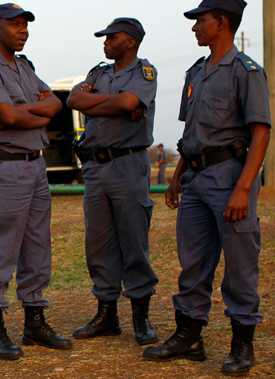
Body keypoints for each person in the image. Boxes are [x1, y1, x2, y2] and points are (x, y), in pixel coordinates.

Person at [143, 0, 270, 377]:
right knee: (193, 261)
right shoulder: (196, 72)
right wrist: (177, 177)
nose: (195, 27)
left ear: (222, 22)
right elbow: (190, 133)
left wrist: (244, 188)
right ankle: (190, 336)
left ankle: (242, 345)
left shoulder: (245, 70)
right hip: (196, 176)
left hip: (230, 175)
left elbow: (261, 132)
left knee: (240, 263)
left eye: (201, 20)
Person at [0, 3, 69, 361]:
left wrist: (24, 113)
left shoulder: (25, 66)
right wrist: (29, 112)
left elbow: (56, 105)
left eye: (25, 24)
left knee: (37, 247)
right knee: (0, 247)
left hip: (35, 166)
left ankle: (34, 321)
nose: (23, 30)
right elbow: (9, 116)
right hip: (7, 166)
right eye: (15, 24)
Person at [66, 17, 159, 346]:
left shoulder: (144, 73)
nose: (105, 41)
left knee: (134, 241)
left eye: (111, 36)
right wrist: (116, 103)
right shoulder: (98, 73)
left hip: (128, 165)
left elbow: (129, 102)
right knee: (99, 244)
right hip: (94, 168)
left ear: (131, 41)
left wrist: (109, 104)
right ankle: (107, 314)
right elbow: (73, 101)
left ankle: (141, 317)